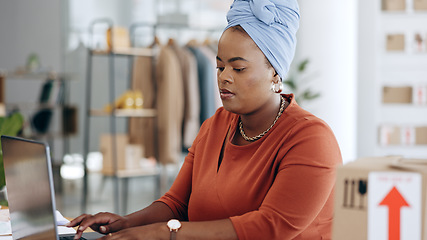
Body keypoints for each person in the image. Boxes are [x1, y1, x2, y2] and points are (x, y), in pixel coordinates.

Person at [68, 0, 342, 239]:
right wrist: (125, 223)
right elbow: (176, 204)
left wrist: (164, 233)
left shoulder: (311, 139)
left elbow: (270, 228)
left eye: (238, 68)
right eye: (220, 66)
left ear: (275, 74)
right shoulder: (215, 126)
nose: (224, 77)